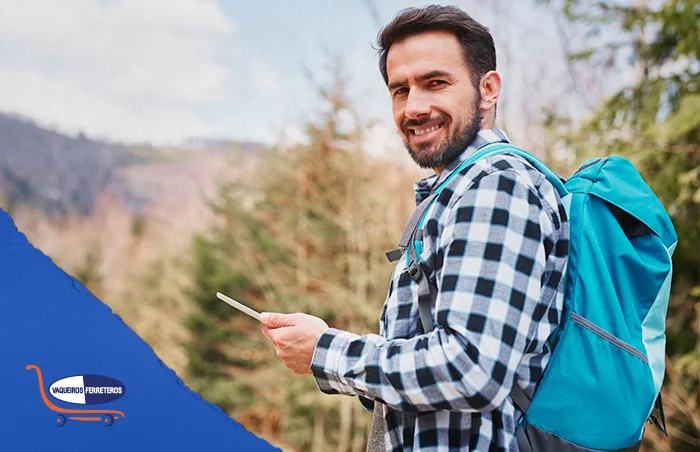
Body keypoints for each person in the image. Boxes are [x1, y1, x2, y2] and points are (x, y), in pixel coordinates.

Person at [260, 5, 569, 451]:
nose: (415, 107)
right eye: (400, 90)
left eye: (435, 83)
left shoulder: (496, 184)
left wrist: (324, 351)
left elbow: (471, 369)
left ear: (488, 88)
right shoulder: (453, 192)